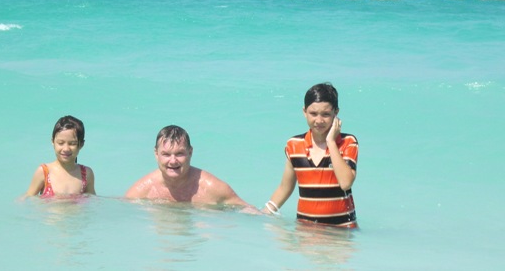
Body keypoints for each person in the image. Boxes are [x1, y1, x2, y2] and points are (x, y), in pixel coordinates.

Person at [263, 83, 359, 228]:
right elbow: (285, 188)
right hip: (306, 231)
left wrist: (331, 142)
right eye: (313, 114)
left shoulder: (348, 142)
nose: (319, 120)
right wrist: (264, 212)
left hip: (341, 231)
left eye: (326, 114)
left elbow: (346, 182)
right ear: (304, 112)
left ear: (336, 113)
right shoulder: (294, 145)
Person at [125, 125, 254, 209]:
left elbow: (246, 209)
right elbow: (123, 210)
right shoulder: (143, 190)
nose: (173, 161)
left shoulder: (212, 188)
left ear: (190, 153)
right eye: (166, 154)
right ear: (156, 154)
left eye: (179, 154)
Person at [23, 115, 95, 199]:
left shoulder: (86, 174)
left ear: (81, 144)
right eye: (60, 143)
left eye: (72, 143)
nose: (66, 149)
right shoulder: (44, 172)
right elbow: (28, 198)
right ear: (53, 142)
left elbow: (92, 202)